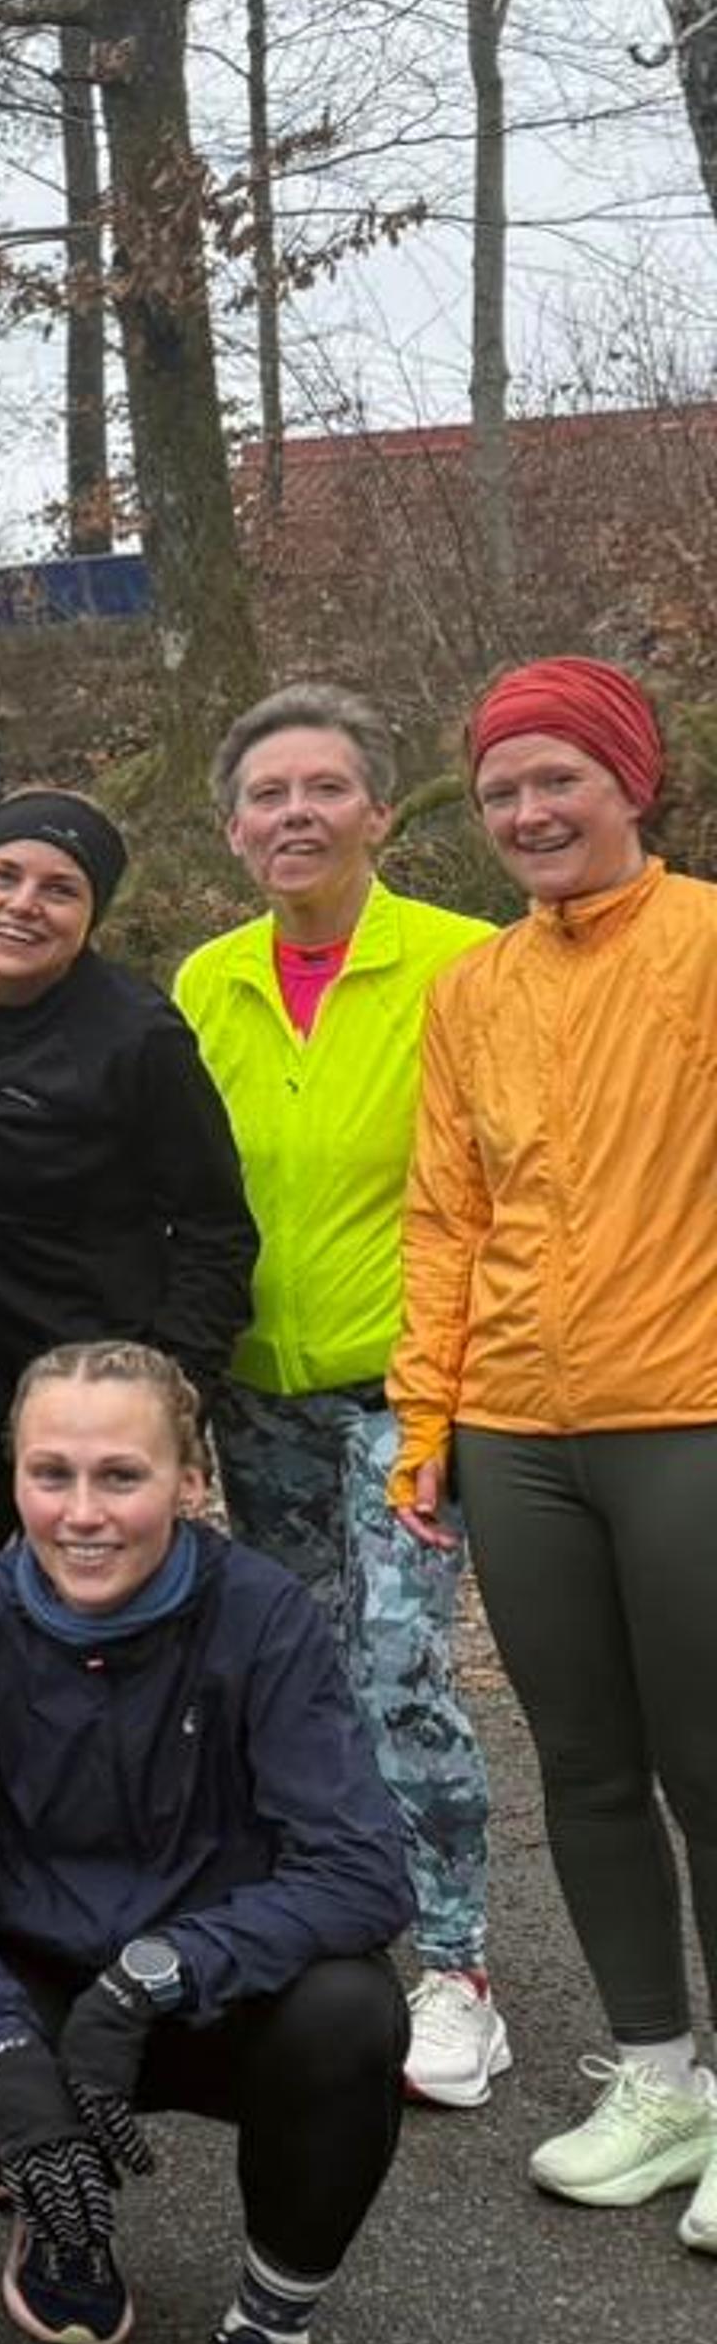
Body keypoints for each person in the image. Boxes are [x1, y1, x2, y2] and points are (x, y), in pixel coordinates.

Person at [0, 1343, 409, 2344]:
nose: (84, 1513)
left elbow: (360, 1870)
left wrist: (160, 1973)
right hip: (44, 1988)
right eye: (52, 1474)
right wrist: (5, 2051)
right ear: (14, 1480)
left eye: (122, 1476)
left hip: (212, 1990)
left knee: (356, 2013)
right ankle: (58, 2201)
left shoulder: (263, 1616)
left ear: (189, 1481)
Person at [395, 655, 717, 2237]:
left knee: (710, 1762)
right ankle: (659, 2076)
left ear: (628, 784)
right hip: (520, 1427)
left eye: (558, 781)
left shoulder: (711, 945)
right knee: (583, 1767)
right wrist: (428, 1424)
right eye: (502, 791)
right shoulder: (474, 991)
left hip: (692, 1409)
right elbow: (446, 1216)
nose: (529, 812)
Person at [174, 685, 510, 2112]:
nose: (295, 813)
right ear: (235, 828)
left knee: (395, 1663)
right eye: (267, 794)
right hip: (258, 1391)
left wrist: (464, 1375)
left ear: (381, 812)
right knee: (296, 1663)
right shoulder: (206, 981)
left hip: (411, 1386)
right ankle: (327, 1902)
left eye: (324, 788)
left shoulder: (469, 965)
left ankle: (459, 1969)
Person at [0, 789, 256, 1563]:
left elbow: (217, 1230)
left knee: (90, 1606)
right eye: (3, 875)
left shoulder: (137, 1037)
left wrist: (170, 1390)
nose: (23, 905)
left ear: (92, 917)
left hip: (97, 1374)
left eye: (60, 890)